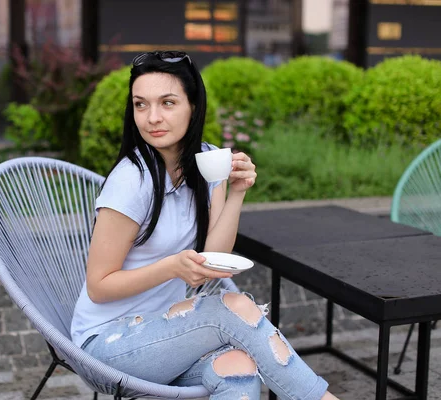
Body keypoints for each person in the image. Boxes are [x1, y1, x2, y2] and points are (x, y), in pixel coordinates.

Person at [70, 50, 339, 400]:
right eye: (140, 105)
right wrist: (171, 268)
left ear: (193, 107)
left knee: (238, 365)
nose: (152, 118)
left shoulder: (208, 162)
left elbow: (215, 256)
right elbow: (98, 286)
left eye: (167, 103)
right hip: (107, 348)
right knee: (234, 307)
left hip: (168, 336)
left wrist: (237, 192)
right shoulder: (131, 180)